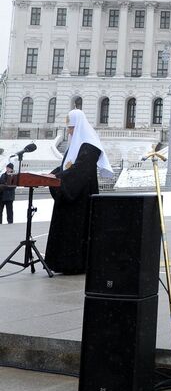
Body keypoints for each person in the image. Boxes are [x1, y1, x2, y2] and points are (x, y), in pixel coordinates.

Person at [45, 109, 114, 275]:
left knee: (76, 232)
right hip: (72, 197)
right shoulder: (75, 146)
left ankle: (75, 263)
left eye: (71, 128)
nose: (68, 132)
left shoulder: (90, 146)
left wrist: (58, 178)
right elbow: (67, 166)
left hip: (81, 198)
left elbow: (80, 171)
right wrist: (52, 175)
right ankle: (63, 263)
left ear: (79, 127)